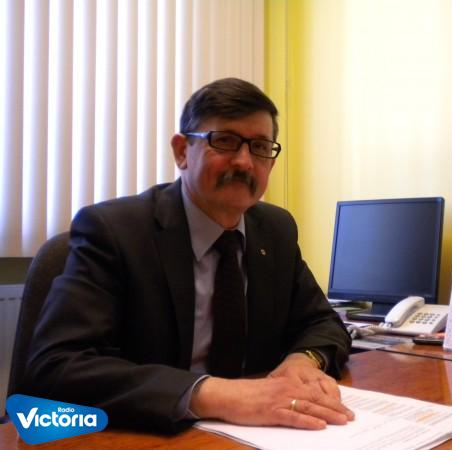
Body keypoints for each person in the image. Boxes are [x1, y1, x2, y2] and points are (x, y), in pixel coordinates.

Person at [22, 78, 354, 433]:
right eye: (225, 141)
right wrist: (216, 395)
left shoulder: (276, 230)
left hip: (256, 435)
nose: (244, 162)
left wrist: (304, 360)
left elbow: (323, 322)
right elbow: (57, 366)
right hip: (148, 434)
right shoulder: (114, 231)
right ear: (182, 151)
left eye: (259, 147)